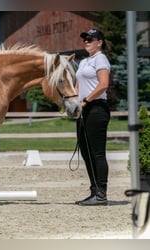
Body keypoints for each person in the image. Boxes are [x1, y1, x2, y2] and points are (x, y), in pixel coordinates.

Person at [74, 29, 111, 206]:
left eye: (90, 39)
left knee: (97, 153)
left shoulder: (100, 59)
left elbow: (103, 85)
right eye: (85, 40)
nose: (86, 42)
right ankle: (94, 191)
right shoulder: (83, 62)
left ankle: (101, 193)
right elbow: (77, 86)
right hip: (83, 109)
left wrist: (86, 100)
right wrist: (72, 103)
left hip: (96, 108)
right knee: (86, 152)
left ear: (99, 42)